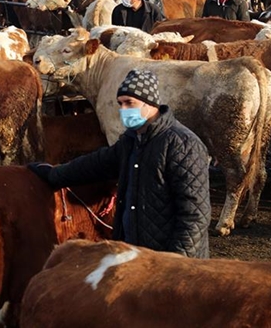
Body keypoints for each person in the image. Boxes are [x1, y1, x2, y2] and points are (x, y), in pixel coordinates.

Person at [28, 69, 211, 259]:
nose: (123, 110)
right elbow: (96, 164)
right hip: (137, 256)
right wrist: (53, 175)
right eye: (120, 103)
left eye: (129, 103)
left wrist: (176, 261)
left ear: (150, 103)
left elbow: (195, 214)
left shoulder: (182, 144)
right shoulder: (132, 141)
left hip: (172, 264)